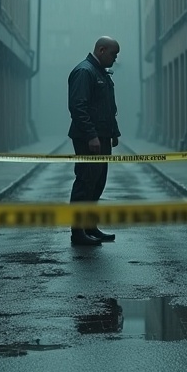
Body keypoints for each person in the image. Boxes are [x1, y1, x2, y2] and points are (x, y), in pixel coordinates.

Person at [67, 36, 122, 246]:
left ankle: (89, 226)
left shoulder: (99, 73)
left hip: (102, 138)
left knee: (98, 183)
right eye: (113, 54)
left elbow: (108, 107)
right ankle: (78, 232)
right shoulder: (84, 72)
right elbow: (78, 107)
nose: (115, 59)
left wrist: (113, 133)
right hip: (88, 140)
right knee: (85, 182)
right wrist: (91, 135)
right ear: (101, 50)